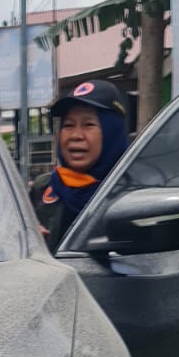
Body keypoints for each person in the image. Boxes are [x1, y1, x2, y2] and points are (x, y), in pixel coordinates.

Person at [29, 79, 131, 251]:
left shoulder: (130, 194)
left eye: (88, 124)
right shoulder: (43, 188)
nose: (76, 135)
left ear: (112, 132)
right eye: (68, 125)